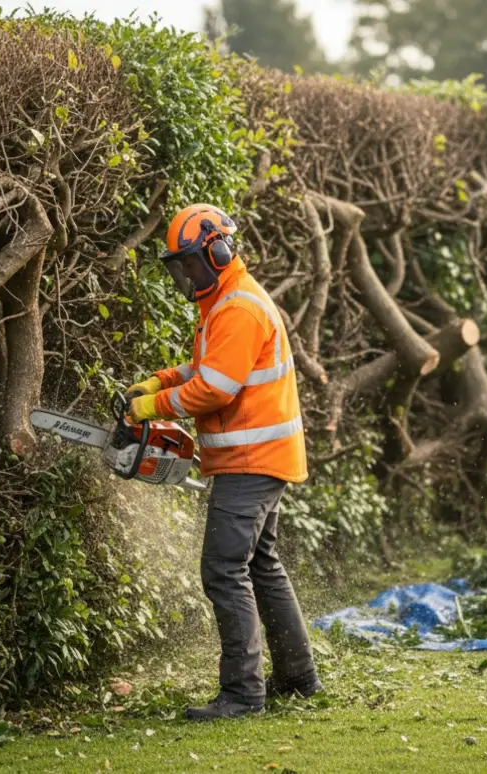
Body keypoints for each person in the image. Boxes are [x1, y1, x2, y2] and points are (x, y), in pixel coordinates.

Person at [125, 203, 322, 720]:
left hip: (251, 458)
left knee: (223, 568)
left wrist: (153, 406)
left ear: (216, 250)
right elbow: (205, 367)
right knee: (261, 566)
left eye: (189, 262)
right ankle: (299, 677)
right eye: (179, 265)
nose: (185, 274)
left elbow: (215, 387)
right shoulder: (225, 301)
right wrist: (162, 379)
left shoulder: (237, 306)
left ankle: (242, 694)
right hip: (256, 456)